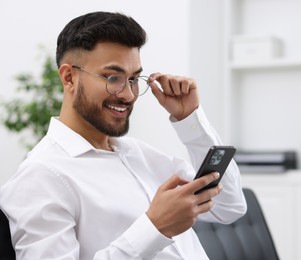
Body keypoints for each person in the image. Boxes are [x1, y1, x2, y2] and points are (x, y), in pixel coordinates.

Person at [0, 11, 247, 259]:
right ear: (69, 77)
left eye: (132, 79)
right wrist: (154, 228)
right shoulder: (40, 177)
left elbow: (229, 207)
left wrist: (189, 118)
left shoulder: (140, 154)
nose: (128, 95)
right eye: (112, 77)